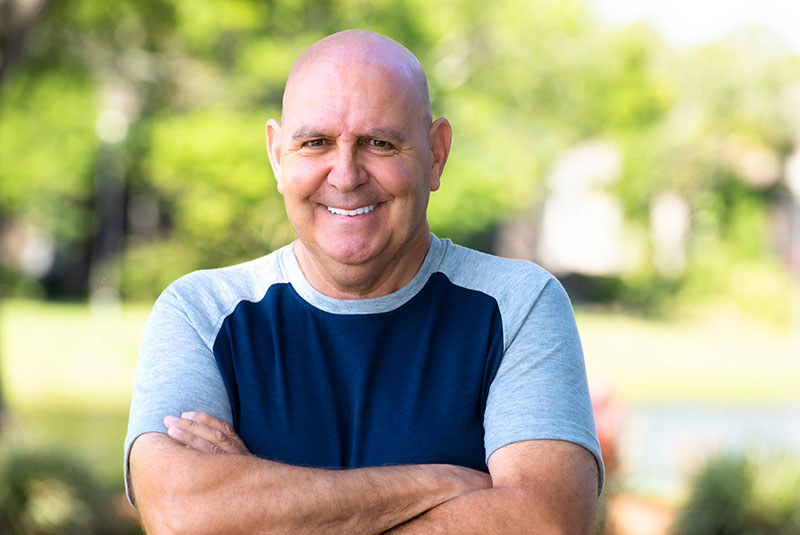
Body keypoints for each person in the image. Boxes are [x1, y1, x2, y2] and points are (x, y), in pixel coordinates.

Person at [125, 29, 603, 534]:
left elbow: (545, 523)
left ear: (436, 153)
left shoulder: (518, 305)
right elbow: (183, 517)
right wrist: (439, 482)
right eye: (315, 143)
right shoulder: (200, 311)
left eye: (379, 143)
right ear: (276, 155)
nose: (347, 175)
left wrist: (260, 508)